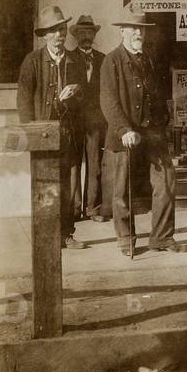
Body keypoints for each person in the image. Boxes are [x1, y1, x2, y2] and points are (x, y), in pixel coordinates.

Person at [100, 4, 185, 255]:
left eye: (142, 29)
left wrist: (163, 120)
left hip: (152, 132)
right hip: (124, 134)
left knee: (166, 181)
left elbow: (156, 94)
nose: (138, 33)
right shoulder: (111, 61)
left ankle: (162, 237)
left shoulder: (148, 59)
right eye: (133, 29)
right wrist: (123, 129)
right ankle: (126, 239)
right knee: (121, 189)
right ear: (122, 31)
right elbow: (108, 101)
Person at [17, 5, 87, 249]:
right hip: (42, 134)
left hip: (68, 133)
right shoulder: (32, 61)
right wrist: (31, 135)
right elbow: (24, 101)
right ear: (45, 35)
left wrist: (77, 92)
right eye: (54, 30)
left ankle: (66, 234)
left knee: (67, 185)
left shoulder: (75, 60)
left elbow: (86, 97)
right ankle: (46, 236)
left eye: (62, 29)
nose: (60, 34)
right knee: (44, 185)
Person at [69, 14, 107, 222]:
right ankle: (74, 209)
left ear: (94, 35)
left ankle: (93, 208)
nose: (86, 36)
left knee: (95, 164)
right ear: (75, 36)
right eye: (82, 32)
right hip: (74, 120)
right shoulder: (68, 58)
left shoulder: (103, 59)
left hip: (96, 120)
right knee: (73, 164)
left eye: (90, 32)